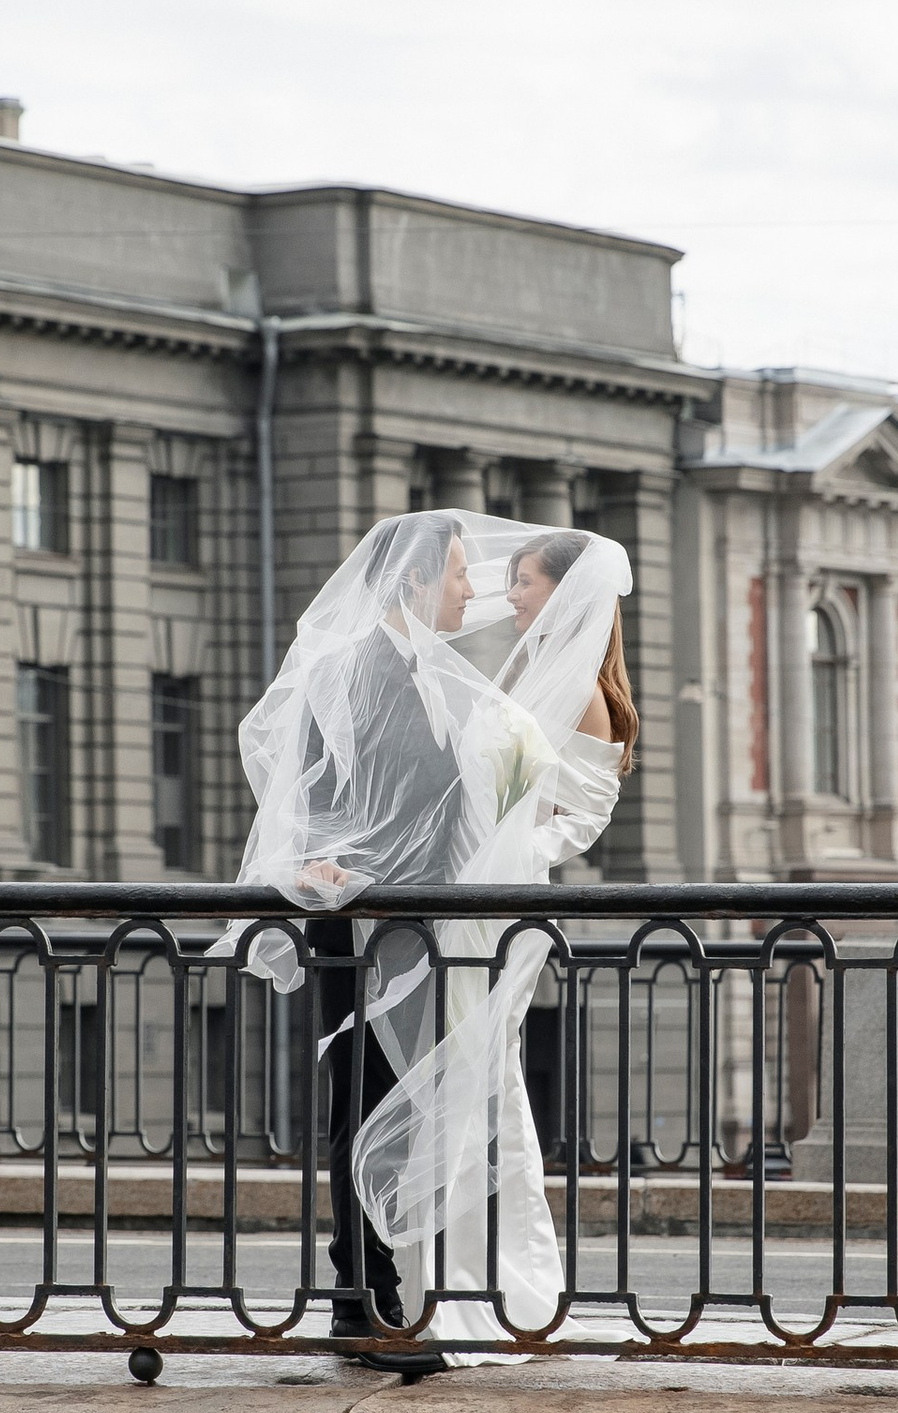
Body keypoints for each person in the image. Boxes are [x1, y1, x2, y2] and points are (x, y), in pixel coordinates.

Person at [348, 522, 635, 1336]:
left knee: (477, 1089)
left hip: (496, 907)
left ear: (565, 594)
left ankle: (479, 1293)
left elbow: (577, 821)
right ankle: (459, 1287)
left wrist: (499, 855)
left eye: (524, 583)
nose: (506, 596)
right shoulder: (521, 673)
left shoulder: (582, 691)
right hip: (462, 900)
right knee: (463, 1086)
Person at [230, 512, 487, 1350]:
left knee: (401, 1100)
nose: (468, 587)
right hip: (360, 925)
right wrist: (318, 862)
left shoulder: (431, 672)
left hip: (415, 926)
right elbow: (302, 784)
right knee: (366, 1098)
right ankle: (357, 1297)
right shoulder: (352, 667)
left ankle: (379, 1288)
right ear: (414, 579)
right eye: (455, 571)